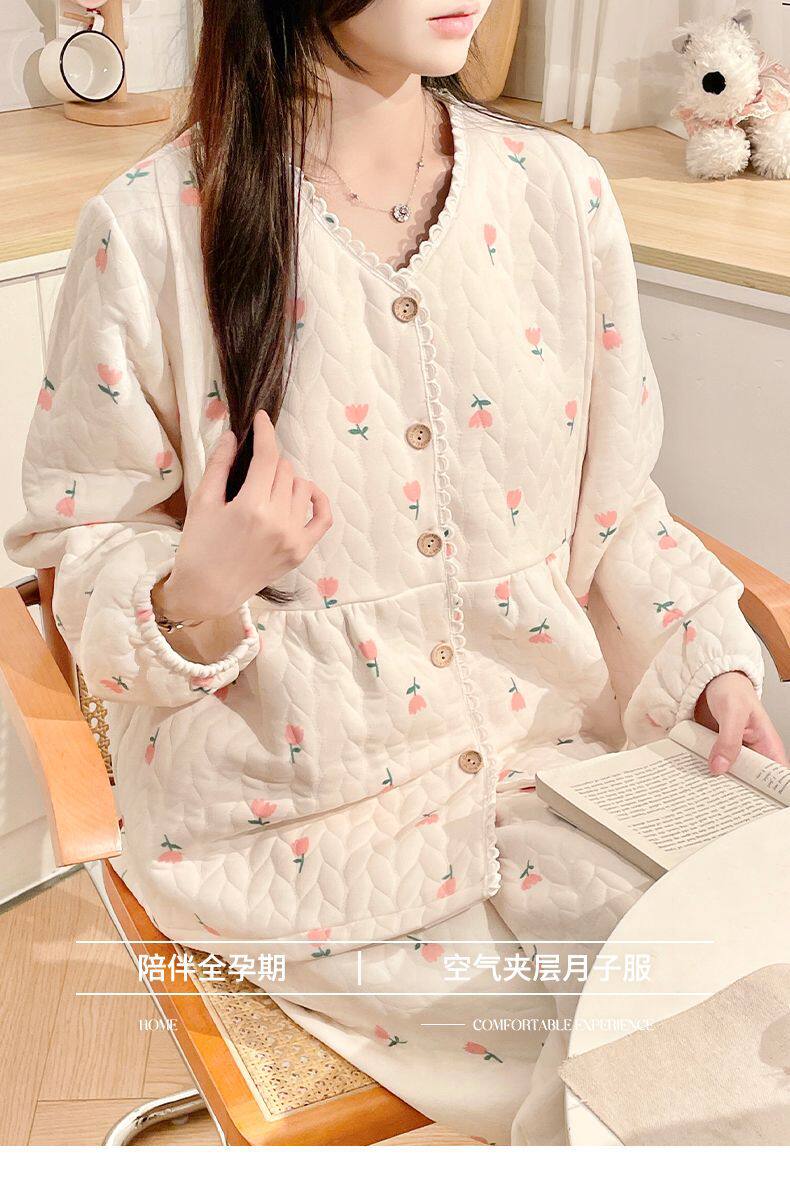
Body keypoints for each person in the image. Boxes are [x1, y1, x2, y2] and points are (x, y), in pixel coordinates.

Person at [4, 1, 786, 1145]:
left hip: (564, 763)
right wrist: (198, 587)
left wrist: (706, 653)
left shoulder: (557, 192)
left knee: (745, 1008)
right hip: (309, 828)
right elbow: (80, 543)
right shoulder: (153, 227)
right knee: (674, 1052)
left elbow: (617, 500)